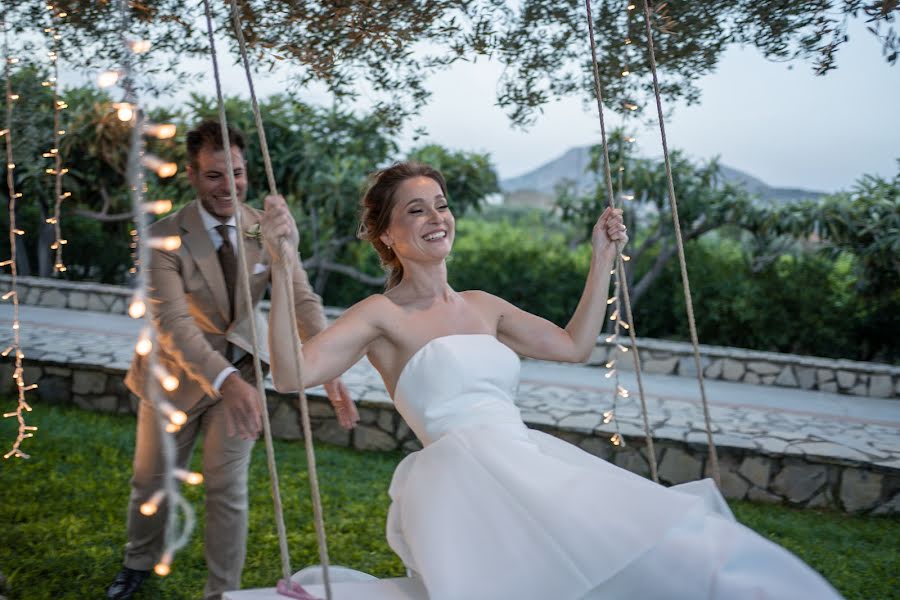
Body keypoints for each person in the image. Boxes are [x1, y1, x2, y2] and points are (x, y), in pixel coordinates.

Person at [262, 161, 843, 599]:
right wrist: (284, 263)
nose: (436, 218)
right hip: (461, 478)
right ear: (387, 235)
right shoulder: (380, 315)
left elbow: (574, 346)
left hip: (526, 458)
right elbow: (291, 374)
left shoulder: (484, 305)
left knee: (670, 556)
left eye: (440, 205)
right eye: (416, 210)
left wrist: (602, 260)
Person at [106, 119, 358, 600]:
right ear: (192, 175)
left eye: (237, 174)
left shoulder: (265, 229)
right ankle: (137, 563)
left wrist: (331, 364)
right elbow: (173, 324)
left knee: (228, 489)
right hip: (173, 378)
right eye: (215, 175)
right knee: (150, 481)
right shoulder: (163, 235)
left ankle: (222, 592)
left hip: (241, 377)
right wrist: (225, 380)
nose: (229, 186)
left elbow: (302, 297)